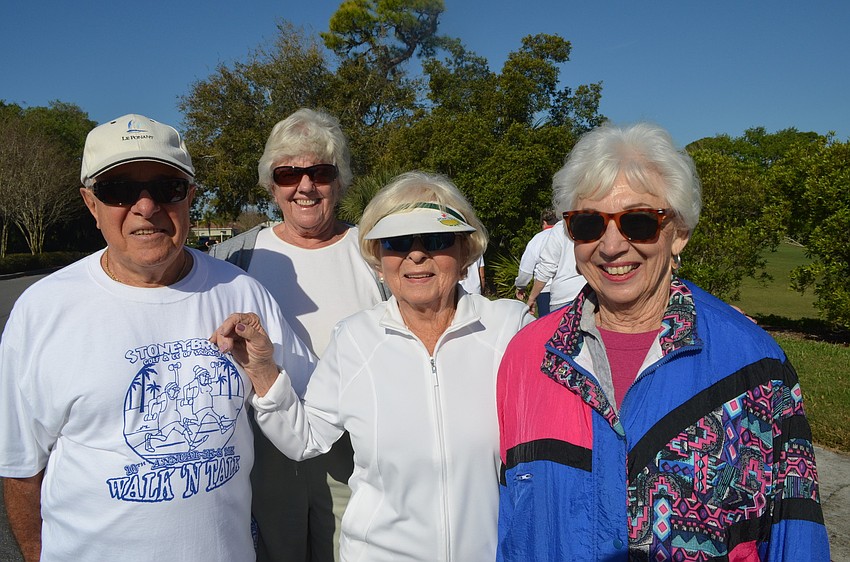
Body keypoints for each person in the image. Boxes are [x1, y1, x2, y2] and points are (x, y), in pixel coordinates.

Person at [496, 123, 830, 560]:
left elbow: (795, 534)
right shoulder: (528, 356)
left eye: (638, 222)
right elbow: (511, 527)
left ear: (680, 232)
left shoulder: (754, 366)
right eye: (588, 223)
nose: (612, 246)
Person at [0, 114, 315, 561]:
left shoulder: (240, 292)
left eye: (166, 188)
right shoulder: (43, 309)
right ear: (91, 204)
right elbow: (19, 467)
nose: (145, 207)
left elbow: (311, 412)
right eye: (119, 191)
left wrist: (265, 372)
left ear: (189, 197)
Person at [211, 171, 534, 561]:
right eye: (397, 242)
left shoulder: (510, 328)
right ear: (378, 259)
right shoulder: (355, 338)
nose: (416, 255)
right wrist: (263, 369)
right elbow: (305, 439)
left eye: (436, 239)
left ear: (465, 251)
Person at [209, 108, 387, 561]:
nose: (305, 186)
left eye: (320, 172)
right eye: (289, 174)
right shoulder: (235, 259)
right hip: (264, 446)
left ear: (339, 181)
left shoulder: (375, 254)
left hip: (352, 444)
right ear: (272, 184)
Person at [525, 211, 585, 314]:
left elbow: (547, 267)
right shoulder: (598, 223)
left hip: (564, 297)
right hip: (592, 293)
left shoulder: (561, 228)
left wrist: (532, 297)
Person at [514, 209, 557, 314]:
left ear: (544, 222)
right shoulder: (568, 237)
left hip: (545, 288)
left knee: (547, 325)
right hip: (567, 288)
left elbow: (526, 268)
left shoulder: (537, 239)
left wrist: (520, 286)